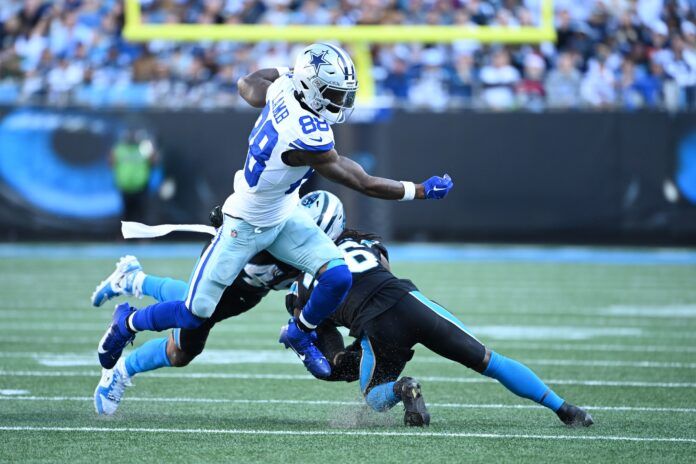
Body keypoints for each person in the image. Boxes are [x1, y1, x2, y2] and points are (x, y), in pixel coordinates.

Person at [96, 43, 454, 381]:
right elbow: (361, 181)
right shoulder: (306, 134)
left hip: (283, 212)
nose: (342, 100)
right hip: (246, 224)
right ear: (312, 90)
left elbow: (247, 84)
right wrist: (418, 190)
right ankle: (128, 321)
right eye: (333, 93)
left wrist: (290, 74)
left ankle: (301, 332)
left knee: (337, 276)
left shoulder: (285, 90)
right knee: (193, 314)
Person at [282, 230, 595, 428]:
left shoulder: (299, 285)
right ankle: (565, 409)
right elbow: (382, 272)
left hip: (375, 325)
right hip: (411, 302)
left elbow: (321, 336)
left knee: (374, 398)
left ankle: (403, 389)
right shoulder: (362, 242)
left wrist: (338, 360)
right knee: (490, 360)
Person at [92, 191, 345, 415]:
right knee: (184, 339)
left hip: (247, 295)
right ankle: (122, 364)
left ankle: (133, 279)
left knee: (185, 333)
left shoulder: (321, 256)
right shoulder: (276, 231)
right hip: (225, 273)